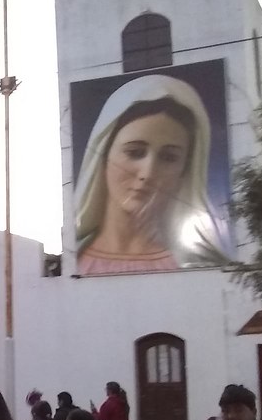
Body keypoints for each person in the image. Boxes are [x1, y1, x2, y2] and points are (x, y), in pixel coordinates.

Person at [74, 74, 229, 275]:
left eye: (168, 158)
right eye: (135, 153)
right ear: (103, 156)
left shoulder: (207, 269)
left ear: (185, 171)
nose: (148, 174)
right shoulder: (72, 261)